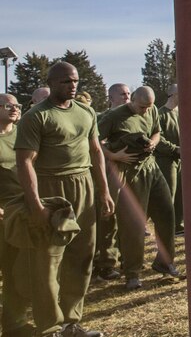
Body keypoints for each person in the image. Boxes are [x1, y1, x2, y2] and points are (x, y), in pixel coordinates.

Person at [16, 61, 114, 337]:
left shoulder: (86, 112)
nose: (72, 86)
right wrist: (36, 204)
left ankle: (71, 322)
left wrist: (104, 191)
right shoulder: (36, 116)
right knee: (49, 261)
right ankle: (49, 327)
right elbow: (25, 162)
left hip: (83, 185)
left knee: (82, 255)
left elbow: (96, 152)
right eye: (65, 82)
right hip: (52, 188)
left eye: (75, 82)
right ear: (51, 83)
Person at [96, 86, 181, 289]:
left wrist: (153, 142)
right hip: (129, 171)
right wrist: (114, 156)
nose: (145, 111)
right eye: (142, 107)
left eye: (148, 107)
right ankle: (132, 272)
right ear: (132, 100)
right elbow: (94, 141)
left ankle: (164, 262)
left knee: (167, 214)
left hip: (151, 168)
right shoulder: (114, 116)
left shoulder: (151, 110)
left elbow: (157, 131)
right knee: (133, 224)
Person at [93, 82, 133, 282]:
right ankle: (106, 263)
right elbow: (96, 145)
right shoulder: (102, 118)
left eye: (128, 93)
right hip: (109, 174)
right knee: (108, 220)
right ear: (111, 98)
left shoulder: (133, 116)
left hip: (132, 174)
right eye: (122, 94)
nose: (126, 97)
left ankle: (128, 258)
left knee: (129, 219)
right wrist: (114, 156)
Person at [0, 93, 32, 335]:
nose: (14, 109)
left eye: (17, 105)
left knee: (16, 270)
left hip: (20, 210)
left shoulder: (22, 134)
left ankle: (15, 324)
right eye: (8, 105)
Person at [153, 84, 184, 235]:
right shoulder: (160, 114)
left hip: (181, 160)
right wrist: (175, 149)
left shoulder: (181, 113)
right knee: (169, 193)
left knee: (181, 194)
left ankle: (178, 224)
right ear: (174, 95)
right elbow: (159, 138)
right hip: (166, 160)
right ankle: (167, 227)